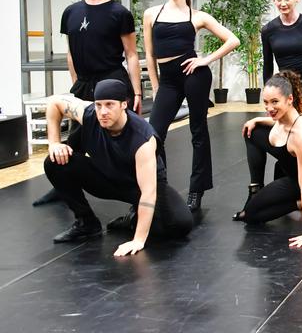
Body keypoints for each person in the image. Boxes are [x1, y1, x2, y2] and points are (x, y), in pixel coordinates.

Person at [34, 0, 142, 206]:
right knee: (75, 141)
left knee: (121, 140)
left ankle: (138, 192)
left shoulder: (119, 13)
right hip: (83, 83)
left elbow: (131, 54)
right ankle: (62, 186)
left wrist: (137, 92)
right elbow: (71, 53)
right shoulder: (71, 12)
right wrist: (76, 84)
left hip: (112, 81)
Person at [42, 79, 193, 255]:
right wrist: (54, 143)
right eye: (99, 105)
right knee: (54, 162)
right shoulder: (89, 114)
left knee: (180, 224)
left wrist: (138, 240)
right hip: (106, 178)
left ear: (123, 105)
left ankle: (132, 218)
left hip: (137, 187)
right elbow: (54, 103)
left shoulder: (143, 139)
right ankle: (86, 222)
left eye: (109, 105)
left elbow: (148, 192)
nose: (103, 112)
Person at [143, 0, 239, 211]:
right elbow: (150, 54)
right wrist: (155, 85)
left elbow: (233, 40)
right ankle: (159, 185)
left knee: (198, 131)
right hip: (167, 80)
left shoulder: (198, 16)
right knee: (154, 133)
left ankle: (197, 190)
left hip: (193, 75)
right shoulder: (151, 14)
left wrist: (205, 60)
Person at [237, 71, 302, 248]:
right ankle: (256, 188)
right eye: (266, 102)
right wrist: (256, 119)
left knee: (250, 215)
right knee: (251, 131)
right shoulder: (282, 117)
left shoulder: (301, 134)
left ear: (290, 99)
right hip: (289, 166)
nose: (269, 108)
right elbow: (277, 121)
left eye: (274, 102)